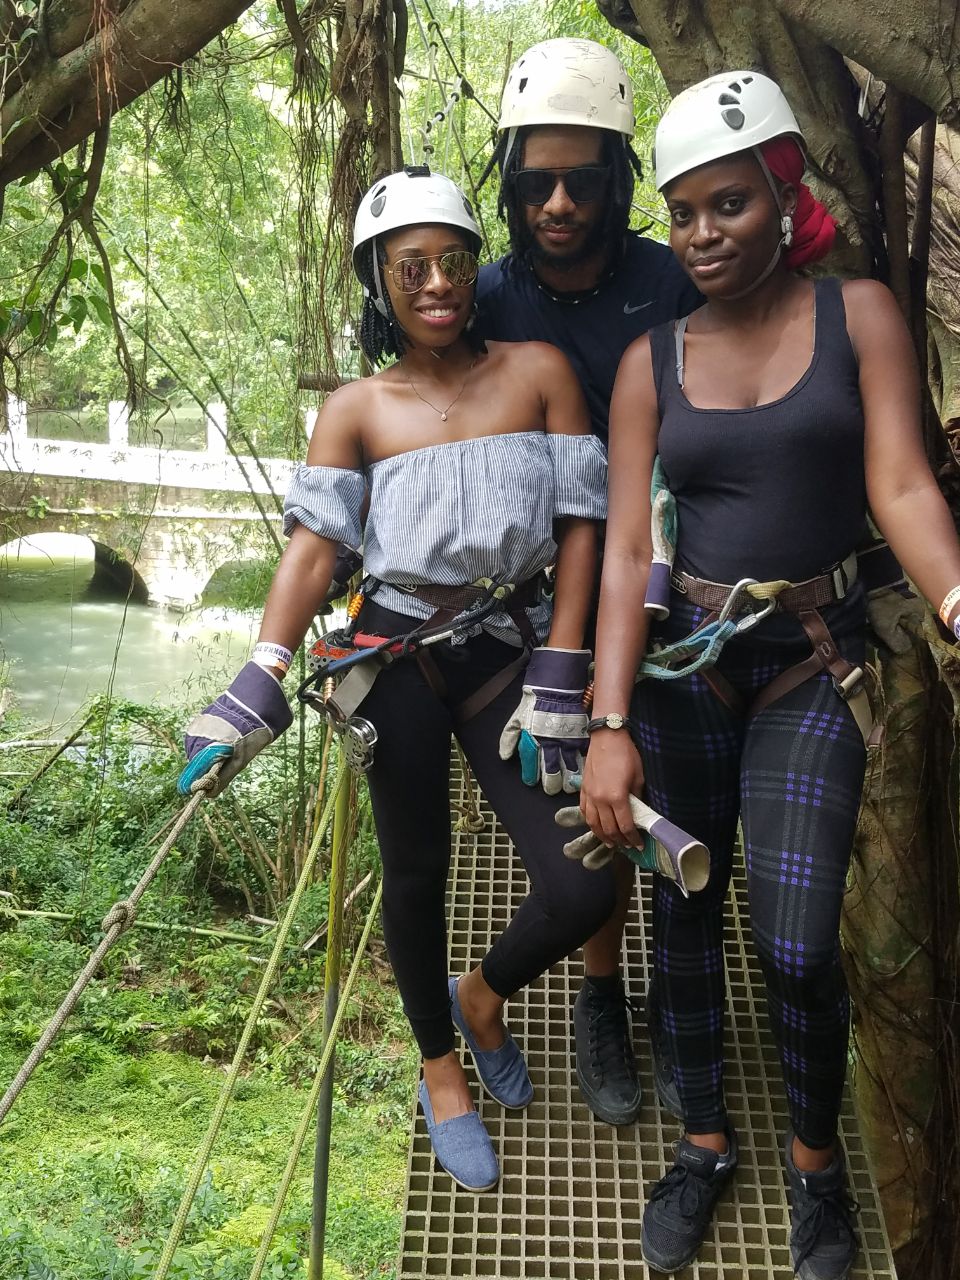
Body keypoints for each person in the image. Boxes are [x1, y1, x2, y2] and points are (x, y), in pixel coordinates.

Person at [579, 70, 960, 1280]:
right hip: (683, 672)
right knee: (684, 916)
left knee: (798, 943)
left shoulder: (860, 317)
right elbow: (629, 549)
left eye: (730, 203)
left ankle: (815, 1165)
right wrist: (606, 720)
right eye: (683, 211)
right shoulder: (650, 361)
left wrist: (959, 598)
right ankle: (701, 1143)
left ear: (785, 195)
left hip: (810, 658)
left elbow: (902, 483)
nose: (702, 233)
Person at [178, 166, 614, 1194]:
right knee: (415, 873)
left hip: (511, 648)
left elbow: (583, 529)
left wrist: (564, 664)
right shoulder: (355, 407)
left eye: (451, 261)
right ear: (380, 279)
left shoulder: (539, 371)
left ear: (476, 266)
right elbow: (313, 549)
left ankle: (482, 994)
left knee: (584, 882)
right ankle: (440, 1067)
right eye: (409, 267)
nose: (436, 284)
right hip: (397, 653)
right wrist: (260, 675)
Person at [477, 35, 702, 1132]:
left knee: (678, 780)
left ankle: (682, 994)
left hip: (679, 573)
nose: (557, 205)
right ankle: (602, 991)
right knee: (586, 792)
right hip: (548, 585)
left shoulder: (673, 283)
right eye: (535, 185)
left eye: (580, 181)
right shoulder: (484, 296)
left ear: (617, 180)